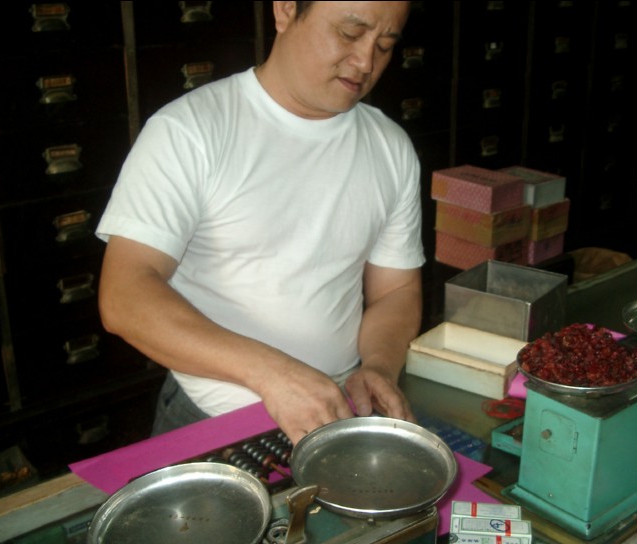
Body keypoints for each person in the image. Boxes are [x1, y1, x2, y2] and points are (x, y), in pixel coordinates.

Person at [96, 1, 424, 445]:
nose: (365, 62)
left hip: (336, 408)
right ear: (286, 10)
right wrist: (275, 376)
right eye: (349, 34)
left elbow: (395, 291)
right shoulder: (190, 130)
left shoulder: (390, 146)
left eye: (384, 46)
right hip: (213, 417)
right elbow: (125, 296)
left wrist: (378, 367)